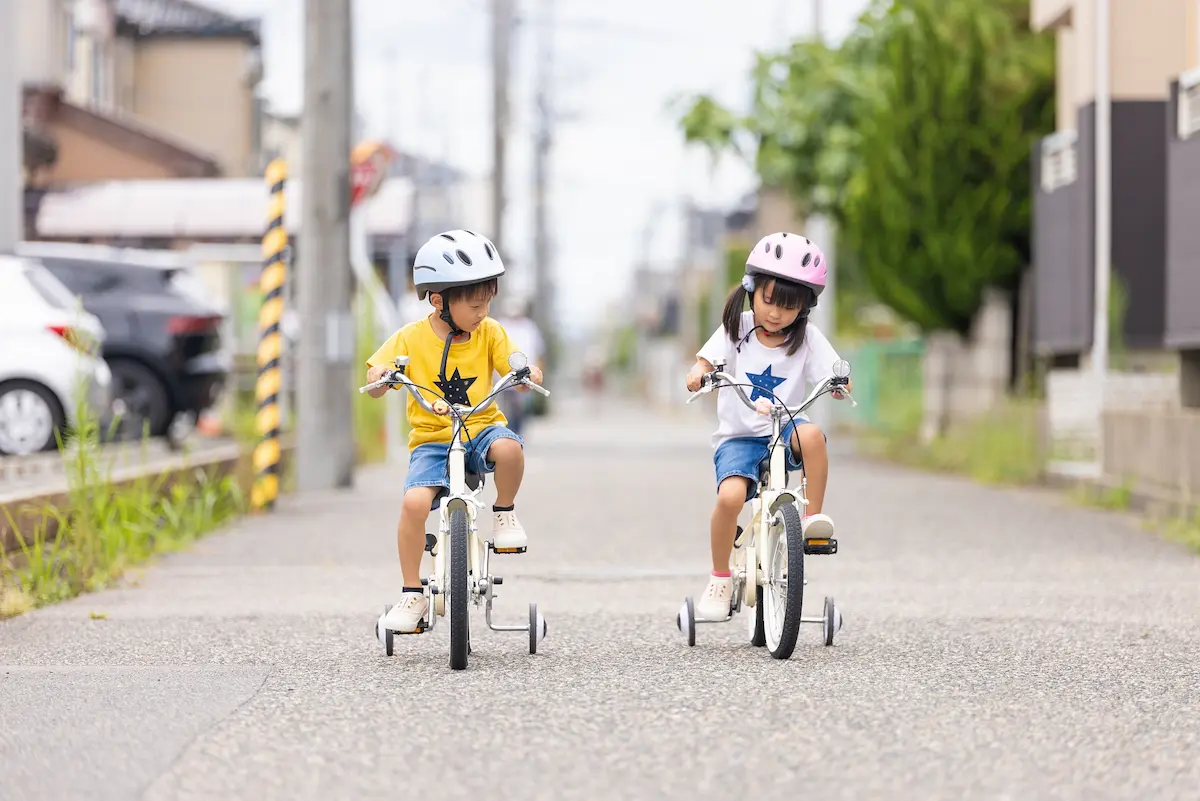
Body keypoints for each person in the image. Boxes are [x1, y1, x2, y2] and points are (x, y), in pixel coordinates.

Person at [364, 229, 544, 633]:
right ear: (439, 300)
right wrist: (381, 375)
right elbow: (376, 378)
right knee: (413, 504)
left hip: (480, 429)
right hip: (432, 440)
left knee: (511, 450)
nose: (483, 312)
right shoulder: (410, 337)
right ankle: (412, 593)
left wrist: (524, 371)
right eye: (475, 304)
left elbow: (515, 358)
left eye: (487, 303)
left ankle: (505, 513)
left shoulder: (490, 332)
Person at [684, 232, 852, 622]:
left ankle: (813, 520)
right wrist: (699, 373)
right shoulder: (735, 328)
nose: (776, 313)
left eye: (789, 306)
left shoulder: (806, 338)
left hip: (787, 427)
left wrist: (841, 384)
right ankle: (720, 576)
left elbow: (835, 371)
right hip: (740, 437)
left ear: (805, 308)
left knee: (812, 434)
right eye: (769, 300)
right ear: (752, 290)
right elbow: (705, 362)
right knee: (729, 499)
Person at [492, 295, 545, 437]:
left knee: (521, 408)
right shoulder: (499, 326)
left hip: (526, 374)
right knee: (505, 408)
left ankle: (517, 433)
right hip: (504, 376)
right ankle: (509, 433)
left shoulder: (529, 327)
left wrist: (537, 371)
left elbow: (539, 351)